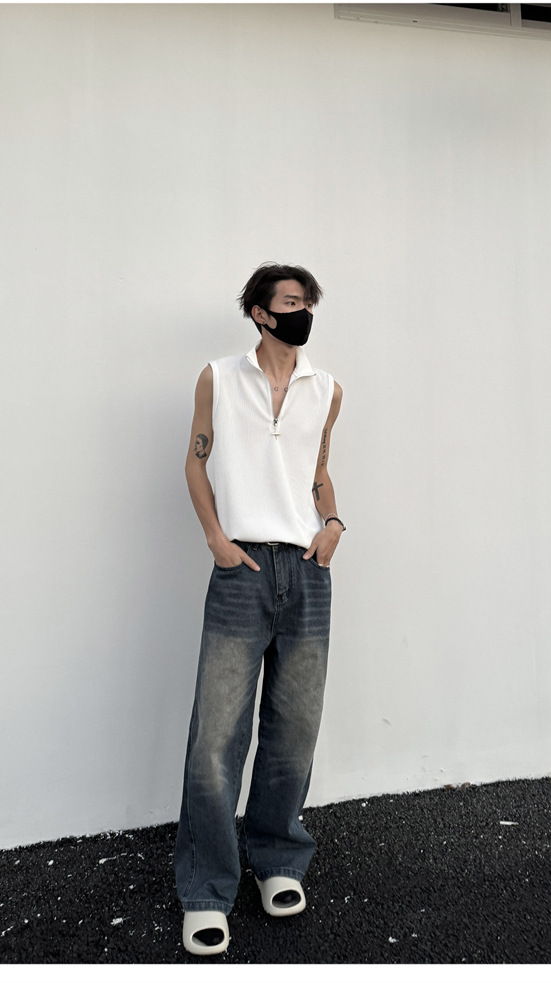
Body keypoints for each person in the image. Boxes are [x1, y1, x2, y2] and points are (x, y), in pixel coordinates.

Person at [174, 263, 345, 956]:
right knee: (216, 736)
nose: (304, 313)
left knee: (293, 730)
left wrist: (333, 524)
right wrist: (216, 539)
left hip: (306, 569)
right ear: (260, 313)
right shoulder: (219, 377)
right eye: (292, 302)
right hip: (240, 569)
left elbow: (318, 470)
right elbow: (195, 460)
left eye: (309, 303)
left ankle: (277, 858)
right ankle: (206, 888)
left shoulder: (327, 389)